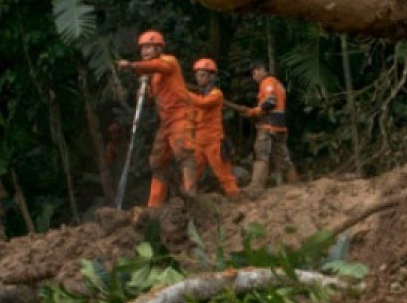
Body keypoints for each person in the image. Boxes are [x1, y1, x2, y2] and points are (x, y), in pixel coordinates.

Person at [115, 30, 196, 207]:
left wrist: (131, 66)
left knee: (184, 153)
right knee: (157, 162)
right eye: (142, 48)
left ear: (159, 48)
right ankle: (155, 205)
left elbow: (158, 66)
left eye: (149, 47)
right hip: (166, 122)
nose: (145, 51)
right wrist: (144, 94)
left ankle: (191, 196)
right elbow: (155, 99)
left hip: (180, 116)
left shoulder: (168, 62)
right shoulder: (152, 77)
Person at [182, 58, 241, 200]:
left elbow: (202, 104)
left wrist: (183, 92)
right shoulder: (199, 95)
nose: (198, 78)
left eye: (202, 75)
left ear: (211, 77)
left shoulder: (216, 94)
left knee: (224, 175)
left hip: (214, 142)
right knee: (191, 175)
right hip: (198, 142)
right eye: (197, 75)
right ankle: (187, 204)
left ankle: (236, 200)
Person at [241, 60, 297, 195]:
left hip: (268, 125)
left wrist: (256, 111)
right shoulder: (278, 83)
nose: (254, 77)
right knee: (283, 157)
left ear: (261, 69)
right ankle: (294, 185)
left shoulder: (267, 82)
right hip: (280, 126)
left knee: (261, 155)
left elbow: (271, 102)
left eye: (254, 73)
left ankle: (255, 188)